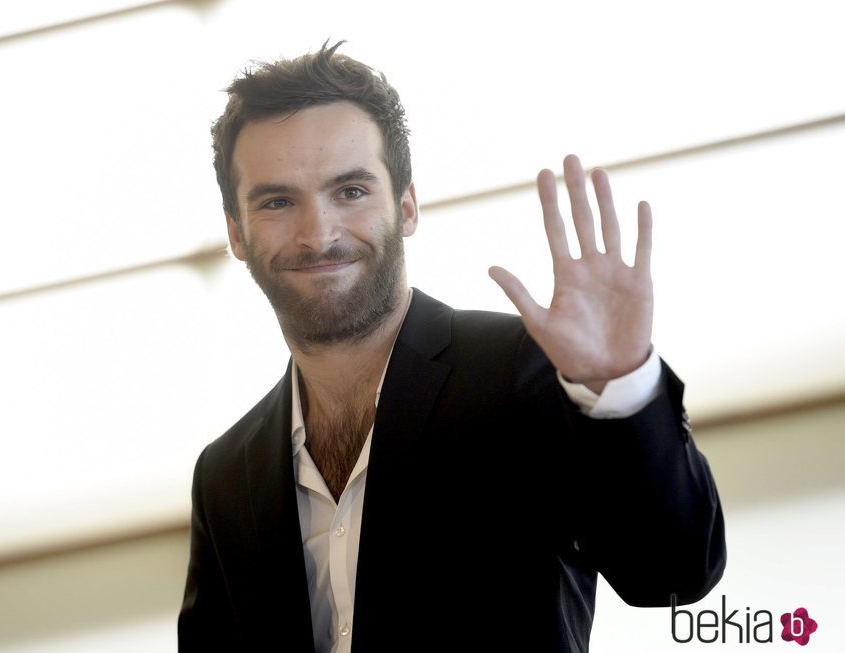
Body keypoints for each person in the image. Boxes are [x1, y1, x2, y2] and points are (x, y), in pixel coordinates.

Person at [178, 41, 726, 652]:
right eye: (278, 202)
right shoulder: (225, 476)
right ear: (236, 233)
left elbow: (671, 573)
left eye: (352, 191)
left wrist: (618, 385)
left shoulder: (524, 372)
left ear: (406, 205)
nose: (319, 233)